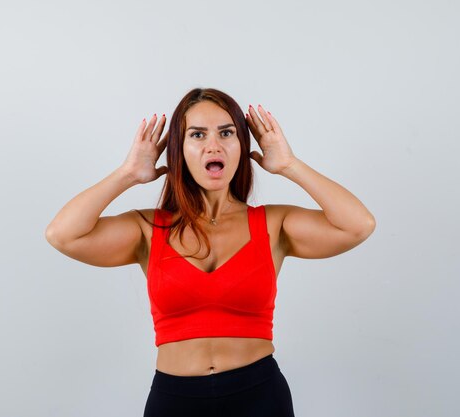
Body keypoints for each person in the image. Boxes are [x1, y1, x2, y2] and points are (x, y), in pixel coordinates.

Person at [45, 87, 376, 416]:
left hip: (259, 397)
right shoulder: (148, 229)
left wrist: (289, 165)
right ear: (180, 149)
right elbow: (63, 234)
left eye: (226, 133)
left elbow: (358, 224)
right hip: (175, 401)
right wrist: (127, 174)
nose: (213, 145)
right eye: (198, 134)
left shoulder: (274, 224)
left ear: (242, 146)